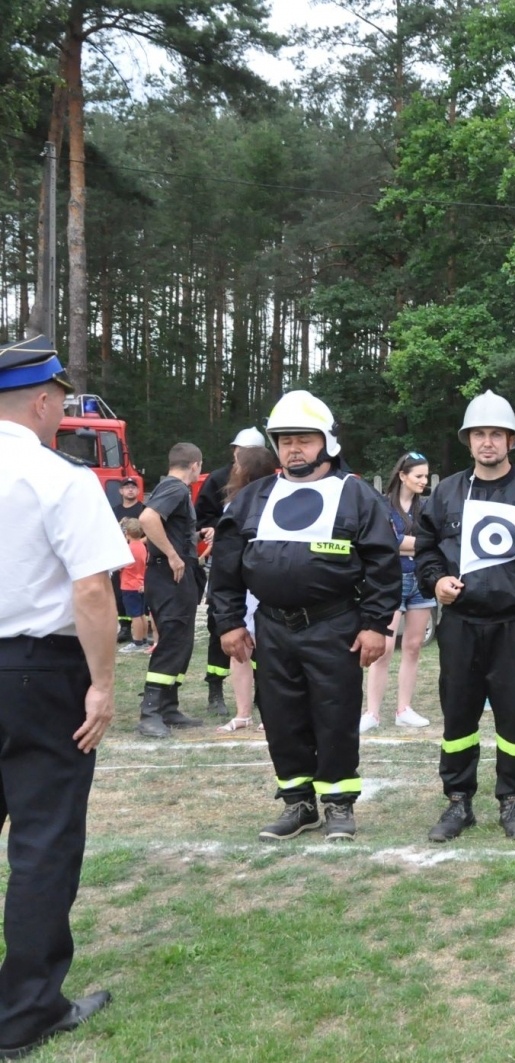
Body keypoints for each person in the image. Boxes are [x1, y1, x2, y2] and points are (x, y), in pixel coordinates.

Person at [0, 334, 122, 1057]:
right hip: (38, 672)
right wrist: (102, 684)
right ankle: (25, 1010)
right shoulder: (61, 478)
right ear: (44, 402)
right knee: (44, 840)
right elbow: (91, 587)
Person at [210, 390, 401, 842]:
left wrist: (375, 625)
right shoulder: (252, 498)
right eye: (285, 440)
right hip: (272, 628)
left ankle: (338, 805)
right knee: (280, 716)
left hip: (336, 626)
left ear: (327, 442)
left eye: (304, 439)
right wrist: (230, 622)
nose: (294, 448)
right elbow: (225, 568)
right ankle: (298, 804)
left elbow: (383, 566)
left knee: (335, 714)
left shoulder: (355, 495)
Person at [415, 395, 515, 842]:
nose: (488, 442)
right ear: (468, 440)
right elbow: (426, 548)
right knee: (458, 717)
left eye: (496, 434)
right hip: (460, 626)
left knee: (514, 719)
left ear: (511, 440)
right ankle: (458, 801)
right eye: (479, 434)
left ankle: (512, 799)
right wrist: (435, 581)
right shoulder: (446, 492)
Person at [195, 427, 270, 717]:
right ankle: (216, 686)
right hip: (229, 571)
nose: (237, 457)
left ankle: (263, 697)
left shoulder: (276, 489)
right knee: (223, 629)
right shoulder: (218, 479)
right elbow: (202, 517)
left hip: (259, 577)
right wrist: (215, 529)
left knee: (264, 640)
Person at [134, 442, 206, 737]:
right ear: (195, 465)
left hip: (177, 575)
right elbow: (147, 519)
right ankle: (150, 712)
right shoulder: (176, 488)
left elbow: (169, 527)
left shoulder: (175, 491)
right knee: (174, 639)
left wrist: (196, 535)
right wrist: (173, 555)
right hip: (169, 575)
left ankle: (168, 706)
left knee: (182, 641)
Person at [362, 451, 434, 734]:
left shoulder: (426, 507)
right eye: (418, 476)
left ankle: (403, 709)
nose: (424, 482)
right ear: (402, 476)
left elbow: (432, 541)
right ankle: (372, 713)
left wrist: (407, 543)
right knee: (384, 648)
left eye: (426, 476)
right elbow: (386, 541)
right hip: (391, 580)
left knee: (413, 646)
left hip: (421, 581)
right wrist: (414, 543)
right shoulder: (381, 506)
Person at [214, 446, 279, 733]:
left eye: (237, 464)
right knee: (238, 650)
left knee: (269, 652)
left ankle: (270, 712)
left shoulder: (276, 502)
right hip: (241, 588)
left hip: (265, 586)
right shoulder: (234, 504)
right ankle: (243, 713)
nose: (233, 468)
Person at [110, 478, 145, 642]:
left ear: (138, 491)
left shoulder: (144, 510)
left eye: (133, 487)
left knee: (137, 592)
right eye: (126, 487)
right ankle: (124, 628)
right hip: (119, 555)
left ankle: (142, 628)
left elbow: (151, 533)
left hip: (137, 556)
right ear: (121, 491)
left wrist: (136, 544)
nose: (130, 490)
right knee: (119, 592)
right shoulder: (114, 511)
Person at [116, 519, 152, 654]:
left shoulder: (128, 549)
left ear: (127, 533)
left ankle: (137, 641)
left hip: (129, 585)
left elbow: (121, 566)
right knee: (141, 614)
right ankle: (142, 639)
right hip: (141, 583)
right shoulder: (142, 546)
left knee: (134, 615)